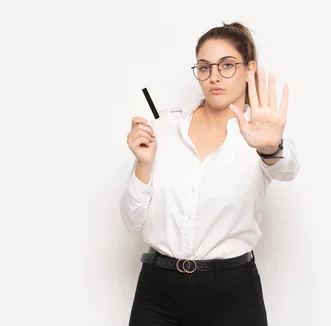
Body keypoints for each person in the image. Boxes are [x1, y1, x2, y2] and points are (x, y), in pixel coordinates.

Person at [120, 22, 300, 326]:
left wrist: (270, 148)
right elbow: (131, 220)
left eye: (227, 65)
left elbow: (287, 168)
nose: (214, 76)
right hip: (158, 289)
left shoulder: (260, 132)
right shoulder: (164, 128)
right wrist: (144, 164)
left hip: (232, 291)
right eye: (204, 67)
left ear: (249, 69)